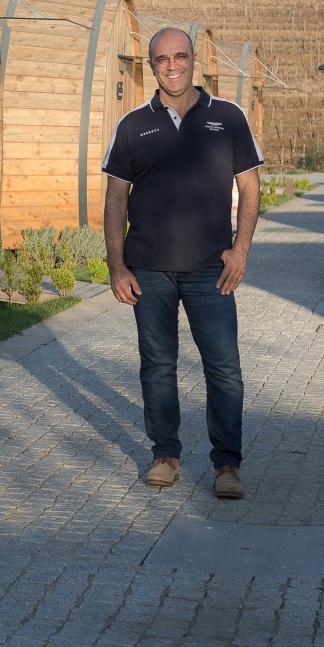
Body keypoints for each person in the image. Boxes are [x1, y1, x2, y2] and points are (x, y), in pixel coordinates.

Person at [102, 27, 262, 499]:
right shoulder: (133, 125)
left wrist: (241, 249)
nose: (172, 66)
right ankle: (165, 455)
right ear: (150, 66)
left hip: (211, 267)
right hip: (148, 269)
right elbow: (115, 199)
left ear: (194, 61)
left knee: (224, 367)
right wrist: (116, 265)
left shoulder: (228, 118)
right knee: (157, 365)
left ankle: (226, 465)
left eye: (180, 57)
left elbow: (250, 189)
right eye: (161, 60)